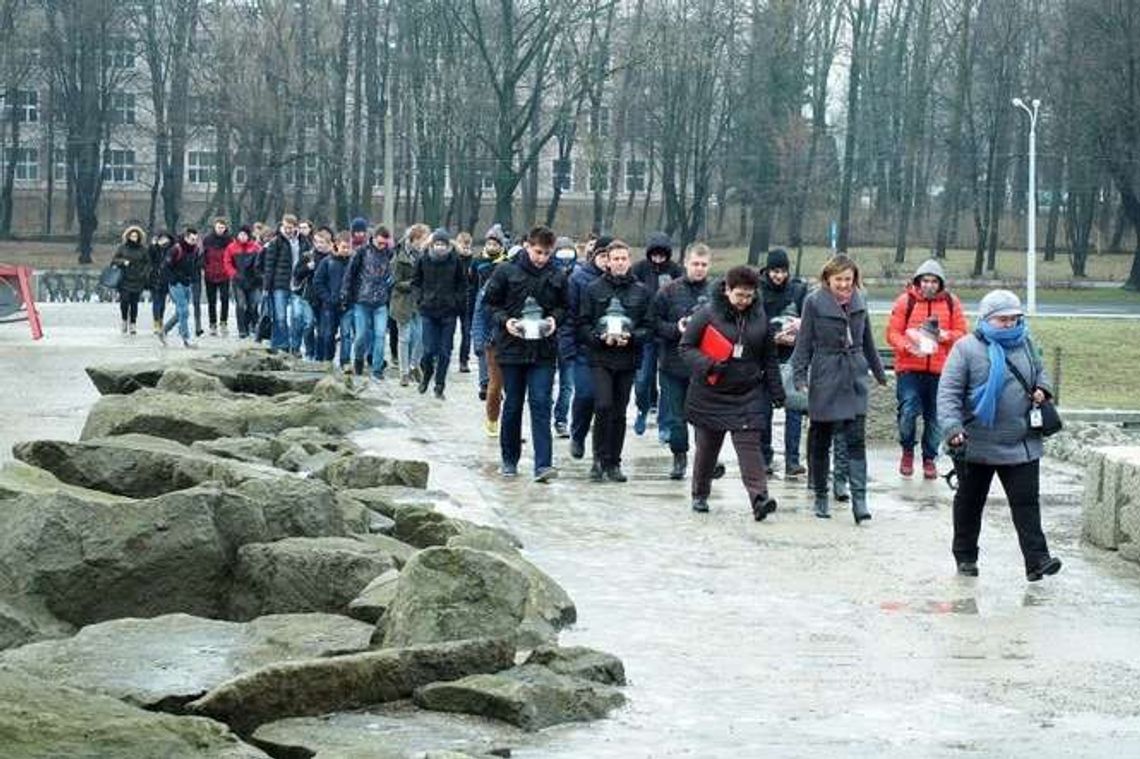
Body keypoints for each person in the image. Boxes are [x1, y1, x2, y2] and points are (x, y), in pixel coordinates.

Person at [937, 290, 1062, 581]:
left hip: (1021, 441)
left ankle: (1037, 561)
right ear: (986, 319)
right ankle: (965, 557)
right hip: (975, 443)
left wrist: (1043, 389)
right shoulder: (966, 349)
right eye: (1002, 319)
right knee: (970, 503)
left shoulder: (1027, 343)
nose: (1009, 324)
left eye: (1013, 318)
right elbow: (948, 393)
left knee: (1026, 503)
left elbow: (1040, 372)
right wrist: (952, 428)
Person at [679, 265, 784, 518]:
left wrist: (776, 390)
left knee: (750, 448)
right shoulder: (707, 314)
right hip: (710, 392)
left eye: (749, 296)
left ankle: (760, 499)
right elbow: (686, 348)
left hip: (747, 393)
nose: (744, 301)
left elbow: (769, 358)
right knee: (707, 449)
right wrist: (709, 364)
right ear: (727, 290)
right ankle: (700, 494)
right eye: (739, 295)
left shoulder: (760, 317)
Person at [791, 254, 888, 523]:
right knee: (821, 438)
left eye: (848, 279)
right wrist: (799, 376)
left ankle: (860, 500)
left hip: (854, 374)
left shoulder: (860, 299)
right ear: (827, 279)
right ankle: (821, 495)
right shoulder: (813, 302)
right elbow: (804, 341)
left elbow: (868, 339)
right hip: (826, 373)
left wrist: (879, 371)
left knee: (856, 439)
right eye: (839, 280)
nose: (844, 285)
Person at [482, 225, 568, 483]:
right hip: (511, 347)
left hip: (543, 349)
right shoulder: (505, 271)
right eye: (538, 252)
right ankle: (509, 459)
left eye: (547, 253)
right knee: (513, 404)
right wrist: (505, 321)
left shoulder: (557, 274)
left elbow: (565, 306)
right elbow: (490, 304)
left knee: (541, 402)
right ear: (528, 246)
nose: (542, 258)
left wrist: (554, 320)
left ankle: (543, 464)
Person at [886, 259, 968, 480]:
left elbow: (962, 333)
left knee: (935, 418)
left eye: (933, 281)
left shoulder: (951, 303)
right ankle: (907, 450)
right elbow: (892, 333)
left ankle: (929, 458)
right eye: (925, 281)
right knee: (908, 410)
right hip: (910, 368)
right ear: (918, 282)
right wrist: (908, 347)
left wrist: (944, 336)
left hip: (941, 370)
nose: (929, 285)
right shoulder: (906, 301)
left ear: (940, 284)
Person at [577, 240, 652, 483]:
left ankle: (614, 462)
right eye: (615, 259)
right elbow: (583, 323)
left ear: (629, 261)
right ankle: (598, 459)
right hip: (601, 356)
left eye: (623, 259)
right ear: (607, 262)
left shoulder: (641, 291)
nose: (620, 263)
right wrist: (599, 338)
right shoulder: (593, 289)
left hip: (627, 357)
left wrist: (632, 338)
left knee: (619, 411)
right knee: (603, 405)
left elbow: (648, 326)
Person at [652, 242, 713, 480]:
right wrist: (676, 329)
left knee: (704, 417)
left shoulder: (717, 292)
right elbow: (654, 323)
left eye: (703, 264)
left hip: (705, 365)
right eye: (695, 263)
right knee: (676, 417)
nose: (699, 268)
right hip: (673, 364)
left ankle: (706, 460)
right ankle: (679, 456)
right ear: (686, 263)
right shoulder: (668, 291)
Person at [758, 248, 809, 477]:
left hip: (792, 356)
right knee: (763, 410)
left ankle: (792, 459)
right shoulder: (758, 292)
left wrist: (796, 335)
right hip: (765, 356)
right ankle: (764, 456)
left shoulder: (799, 290)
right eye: (774, 271)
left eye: (782, 271)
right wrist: (771, 337)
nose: (779, 276)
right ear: (767, 271)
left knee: (795, 408)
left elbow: (808, 321)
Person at [631, 232, 683, 438]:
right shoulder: (639, 269)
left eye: (662, 255)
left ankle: (665, 424)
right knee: (643, 378)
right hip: (646, 332)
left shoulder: (676, 271)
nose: (658, 259)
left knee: (666, 382)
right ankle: (642, 408)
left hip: (667, 332)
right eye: (655, 255)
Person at [567, 236, 610, 459]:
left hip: (612, 350)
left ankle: (600, 453)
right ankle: (578, 433)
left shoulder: (621, 280)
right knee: (585, 394)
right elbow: (570, 314)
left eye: (609, 256)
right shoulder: (579, 279)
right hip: (583, 348)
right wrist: (567, 348)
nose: (606, 261)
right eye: (602, 255)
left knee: (604, 403)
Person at [413, 228, 467, 399]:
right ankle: (427, 373)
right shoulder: (423, 259)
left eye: (443, 244)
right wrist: (420, 299)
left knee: (445, 351)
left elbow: (462, 284)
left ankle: (439, 384)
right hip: (428, 310)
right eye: (437, 243)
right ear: (432, 244)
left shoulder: (455, 261)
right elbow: (416, 282)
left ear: (448, 245)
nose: (440, 247)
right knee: (428, 349)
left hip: (448, 312)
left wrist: (457, 302)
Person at [472, 227, 511, 435]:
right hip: (493, 339)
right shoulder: (488, 287)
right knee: (495, 384)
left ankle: (510, 425)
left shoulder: (520, 283)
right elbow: (479, 314)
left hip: (515, 341)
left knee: (513, 388)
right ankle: (492, 419)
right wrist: (479, 341)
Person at [341, 227, 394, 379]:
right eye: (380, 243)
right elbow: (350, 274)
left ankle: (377, 369)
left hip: (381, 302)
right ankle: (358, 359)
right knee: (361, 336)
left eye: (385, 243)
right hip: (362, 301)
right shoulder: (362, 252)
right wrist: (345, 293)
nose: (382, 246)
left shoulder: (389, 254)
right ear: (374, 238)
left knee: (380, 336)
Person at [391, 224, 430, 385]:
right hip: (402, 301)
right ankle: (404, 372)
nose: (425, 243)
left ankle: (414, 365)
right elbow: (396, 282)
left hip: (420, 302)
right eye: (423, 240)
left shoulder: (426, 256)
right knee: (404, 338)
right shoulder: (399, 257)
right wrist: (413, 283)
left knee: (421, 337)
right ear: (414, 240)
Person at [261, 215, 302, 353]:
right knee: (280, 317)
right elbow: (269, 266)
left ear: (295, 227)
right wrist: (267, 287)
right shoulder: (276, 242)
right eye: (285, 227)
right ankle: (282, 345)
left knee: (297, 316)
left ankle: (295, 345)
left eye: (290, 227)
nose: (288, 230)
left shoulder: (302, 241)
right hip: (279, 284)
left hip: (297, 283)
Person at [551, 236, 579, 438]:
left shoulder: (579, 278)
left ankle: (561, 419)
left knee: (567, 384)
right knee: (545, 383)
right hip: (549, 337)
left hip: (570, 339)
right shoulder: (548, 275)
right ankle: (547, 415)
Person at [223, 225, 263, 339]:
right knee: (241, 305)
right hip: (238, 280)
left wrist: (259, 276)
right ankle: (242, 329)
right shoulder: (231, 247)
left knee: (253, 305)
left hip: (254, 281)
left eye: (245, 234)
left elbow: (262, 262)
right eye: (240, 234)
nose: (242, 237)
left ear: (248, 236)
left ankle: (250, 325)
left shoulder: (256, 247)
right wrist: (233, 274)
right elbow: (227, 262)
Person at [164, 227, 201, 349]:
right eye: (192, 239)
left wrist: (194, 278)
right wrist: (173, 279)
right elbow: (166, 266)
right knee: (184, 310)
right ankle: (186, 338)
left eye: (195, 239)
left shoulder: (195, 250)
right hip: (176, 284)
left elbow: (194, 266)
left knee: (180, 312)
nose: (194, 241)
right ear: (186, 238)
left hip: (187, 283)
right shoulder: (176, 249)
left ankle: (164, 330)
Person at [110, 224, 150, 335]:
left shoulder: (143, 249)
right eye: (132, 236)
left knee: (134, 303)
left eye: (135, 236)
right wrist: (123, 262)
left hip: (137, 279)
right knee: (124, 301)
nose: (134, 238)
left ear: (139, 237)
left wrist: (143, 274)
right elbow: (114, 260)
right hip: (124, 279)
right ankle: (124, 320)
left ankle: (133, 323)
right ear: (128, 236)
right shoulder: (122, 248)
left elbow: (147, 263)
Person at [201, 218, 233, 336]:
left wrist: (230, 270)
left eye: (222, 227)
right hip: (210, 274)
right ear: (214, 227)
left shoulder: (229, 240)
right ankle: (212, 324)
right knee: (211, 300)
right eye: (219, 227)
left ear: (225, 228)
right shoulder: (207, 239)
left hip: (224, 274)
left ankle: (223, 322)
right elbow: (203, 256)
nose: (220, 229)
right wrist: (205, 268)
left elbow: (232, 257)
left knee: (225, 299)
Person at [455, 231, 476, 374]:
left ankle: (464, 360)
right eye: (463, 246)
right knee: (448, 332)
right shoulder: (452, 259)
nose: (466, 249)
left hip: (467, 300)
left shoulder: (473, 261)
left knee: (467, 332)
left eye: (468, 247)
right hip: (453, 299)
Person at [148, 230, 174, 342]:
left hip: (166, 278)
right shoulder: (155, 249)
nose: (163, 240)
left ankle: (161, 320)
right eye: (161, 238)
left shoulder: (171, 249)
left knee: (162, 302)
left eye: (165, 238)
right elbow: (149, 257)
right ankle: (156, 322)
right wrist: (153, 245)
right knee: (156, 301)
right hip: (154, 278)